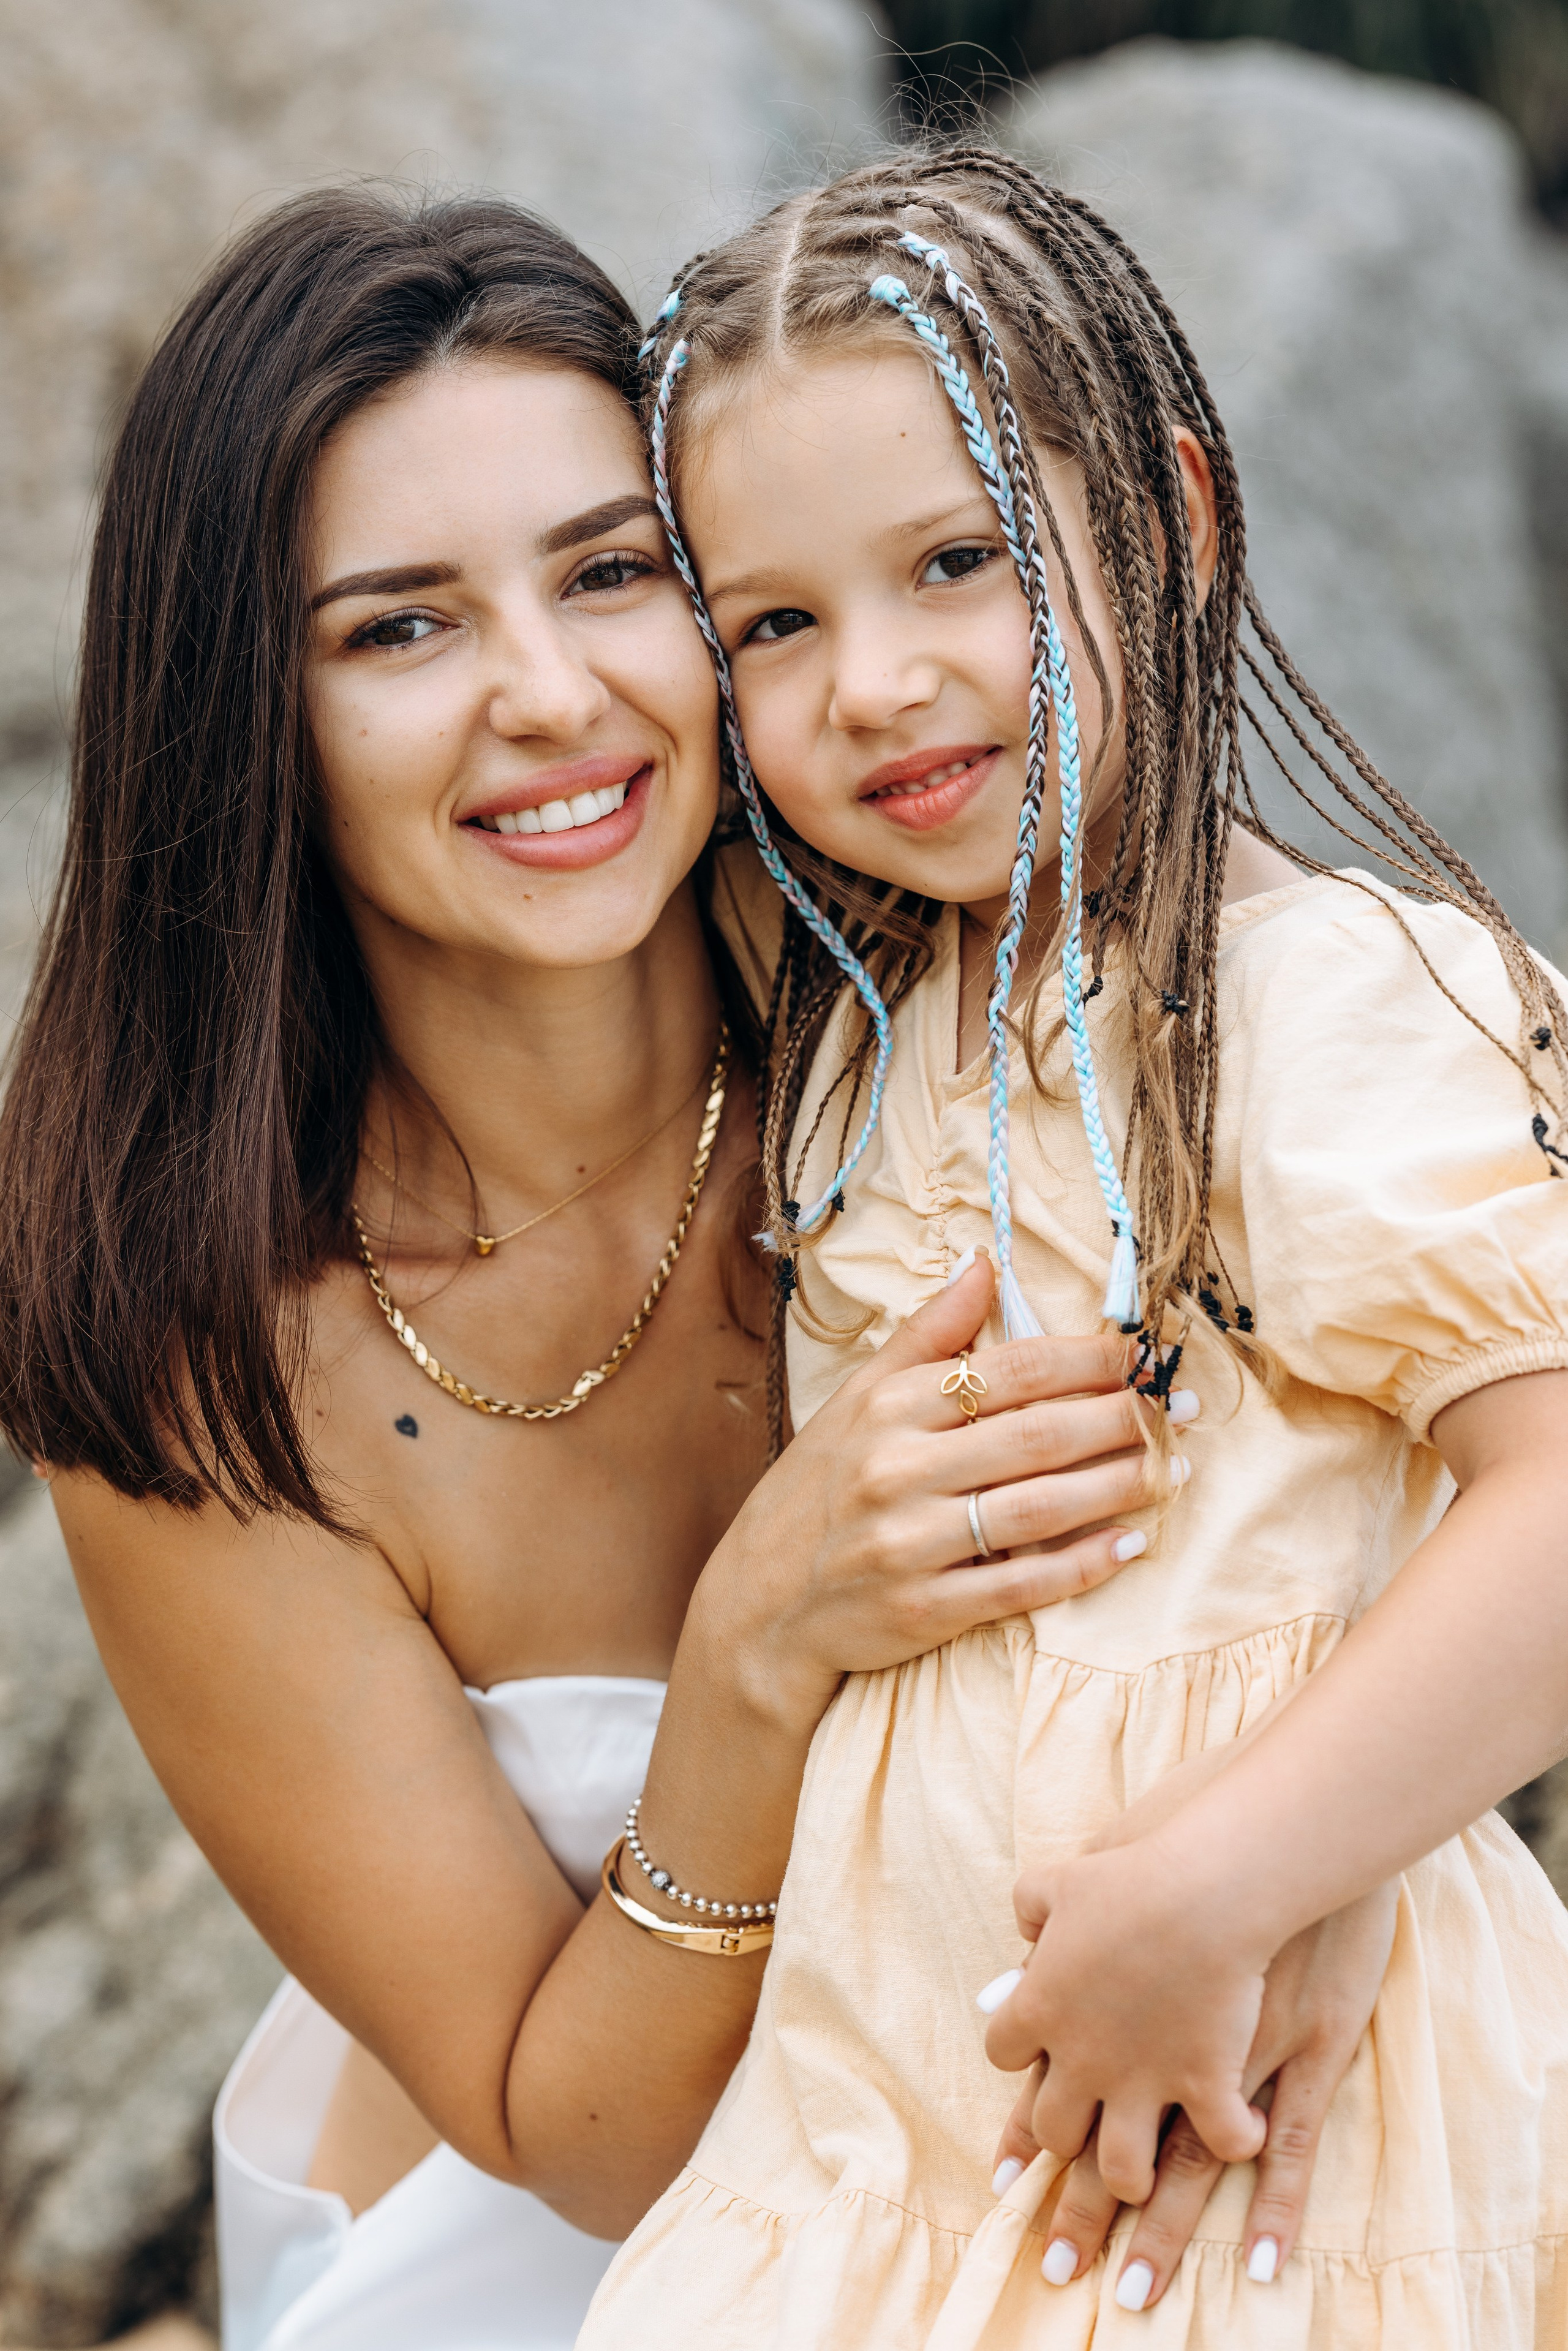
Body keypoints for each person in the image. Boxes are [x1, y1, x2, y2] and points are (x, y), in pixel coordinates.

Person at [0, 187, 1192, 2351]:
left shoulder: (955, 1002)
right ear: (242, 713)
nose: (551, 698)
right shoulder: (207, 1383)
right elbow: (582, 2145)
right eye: (401, 630)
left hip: (1144, 2180)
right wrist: (756, 1647)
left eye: (610, 574)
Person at [579, 146, 1568, 2344]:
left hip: (1253, 2147)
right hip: (881, 2127)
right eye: (774, 624)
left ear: (1175, 523)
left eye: (960, 561)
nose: (876, 683)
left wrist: (1237, 1880)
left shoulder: (1315, 1003)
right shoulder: (864, 1022)